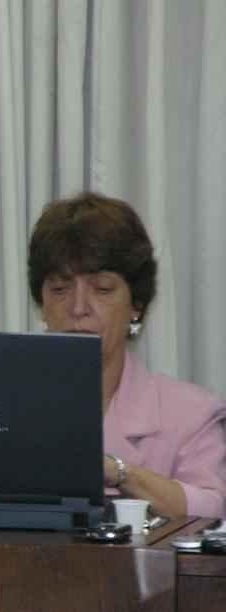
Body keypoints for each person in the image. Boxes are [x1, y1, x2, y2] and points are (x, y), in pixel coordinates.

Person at [28, 191, 226, 519]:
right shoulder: (5, 405)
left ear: (136, 305)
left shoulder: (192, 415)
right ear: (42, 306)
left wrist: (115, 471)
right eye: (60, 290)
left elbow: (213, 509)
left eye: (102, 289)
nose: (78, 309)